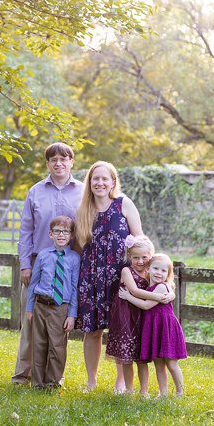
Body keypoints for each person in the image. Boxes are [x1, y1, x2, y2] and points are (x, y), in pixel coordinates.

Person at [13, 142, 82, 385]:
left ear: (72, 162)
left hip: (68, 270)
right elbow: (25, 231)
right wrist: (24, 265)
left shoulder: (83, 192)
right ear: (47, 164)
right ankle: (23, 375)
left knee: (58, 328)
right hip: (38, 267)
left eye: (64, 159)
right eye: (53, 159)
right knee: (31, 324)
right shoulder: (36, 191)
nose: (59, 163)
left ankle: (54, 377)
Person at [73, 160, 144, 391]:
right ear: (90, 182)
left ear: (113, 182)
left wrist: (145, 270)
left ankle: (120, 381)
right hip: (91, 277)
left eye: (105, 179)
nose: (100, 183)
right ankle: (91, 381)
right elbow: (78, 247)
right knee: (92, 331)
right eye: (96, 179)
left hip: (119, 276)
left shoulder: (123, 204)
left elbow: (141, 240)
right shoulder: (84, 209)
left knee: (119, 328)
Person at [105, 236, 173, 394]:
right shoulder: (126, 271)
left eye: (144, 257)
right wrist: (159, 298)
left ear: (150, 256)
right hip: (126, 316)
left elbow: (166, 285)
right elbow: (135, 291)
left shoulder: (151, 272)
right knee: (127, 357)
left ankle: (144, 391)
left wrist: (171, 296)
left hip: (144, 316)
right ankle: (129, 389)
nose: (140, 261)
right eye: (136, 257)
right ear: (130, 257)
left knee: (141, 358)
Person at [120, 253, 187, 397]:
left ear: (168, 275)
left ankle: (180, 392)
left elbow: (145, 305)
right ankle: (163, 393)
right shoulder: (148, 285)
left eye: (164, 271)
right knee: (158, 364)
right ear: (148, 269)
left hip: (166, 328)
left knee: (171, 363)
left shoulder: (162, 288)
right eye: (156, 268)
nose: (159, 273)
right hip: (154, 328)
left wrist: (128, 297)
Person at [24, 215, 79, 389]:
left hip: (60, 308)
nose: (61, 235)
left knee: (57, 347)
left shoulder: (74, 258)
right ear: (50, 234)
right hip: (41, 305)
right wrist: (30, 308)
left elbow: (76, 288)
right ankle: (37, 383)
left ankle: (53, 383)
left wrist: (72, 314)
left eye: (65, 231)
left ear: (71, 236)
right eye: (57, 231)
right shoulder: (43, 255)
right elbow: (33, 283)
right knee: (39, 345)